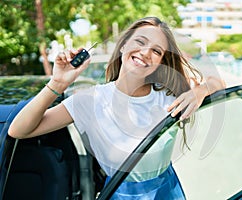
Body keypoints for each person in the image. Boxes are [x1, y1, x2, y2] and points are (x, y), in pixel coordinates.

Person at [8, 17, 225, 199]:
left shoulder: (167, 95)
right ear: (123, 45)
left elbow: (218, 83)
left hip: (168, 193)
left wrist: (201, 90)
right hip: (120, 194)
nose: (145, 53)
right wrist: (57, 84)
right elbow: (19, 129)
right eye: (139, 41)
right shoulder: (89, 100)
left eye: (156, 51)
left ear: (160, 61)